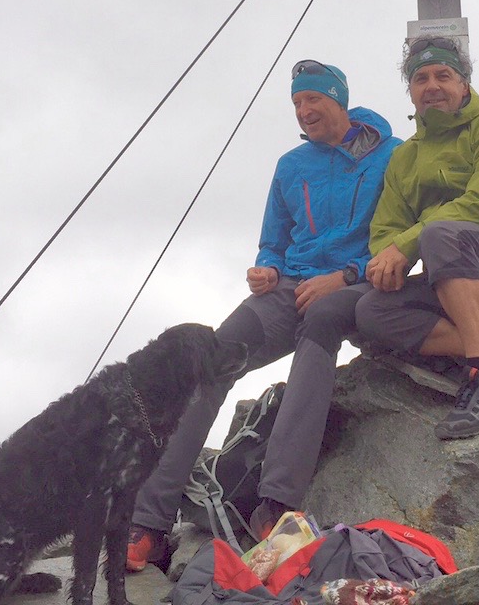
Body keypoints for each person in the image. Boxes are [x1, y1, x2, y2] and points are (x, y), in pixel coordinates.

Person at [126, 61, 401, 570]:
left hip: (352, 286)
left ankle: (276, 507)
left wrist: (344, 275)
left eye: (312, 100)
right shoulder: (291, 165)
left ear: (338, 99)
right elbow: (273, 242)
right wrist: (267, 271)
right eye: (297, 103)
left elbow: (401, 236)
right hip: (289, 290)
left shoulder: (391, 156)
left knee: (314, 352)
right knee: (210, 359)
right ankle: (147, 523)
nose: (304, 110)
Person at [359, 36, 479, 440]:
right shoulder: (405, 157)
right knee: (370, 311)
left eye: (443, 75)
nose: (431, 85)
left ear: (464, 84)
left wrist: (411, 242)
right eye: (420, 78)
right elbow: (385, 231)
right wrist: (388, 260)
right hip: (451, 272)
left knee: (440, 233)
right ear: (411, 91)